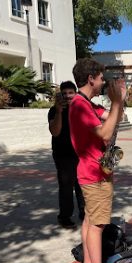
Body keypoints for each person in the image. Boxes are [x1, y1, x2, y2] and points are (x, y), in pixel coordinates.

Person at [69, 58, 126, 263]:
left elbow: (115, 120)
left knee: (89, 220)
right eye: (101, 78)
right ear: (91, 78)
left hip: (93, 170)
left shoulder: (86, 103)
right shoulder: (80, 105)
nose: (103, 82)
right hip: (94, 173)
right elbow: (105, 131)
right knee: (98, 224)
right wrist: (115, 101)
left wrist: (119, 102)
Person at [48, 81, 85, 229]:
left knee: (82, 184)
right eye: (65, 94)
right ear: (60, 95)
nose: (68, 96)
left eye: (71, 93)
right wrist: (58, 111)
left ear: (75, 93)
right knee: (66, 187)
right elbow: (55, 131)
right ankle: (65, 217)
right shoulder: (54, 110)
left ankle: (84, 213)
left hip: (80, 153)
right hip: (63, 155)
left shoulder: (80, 109)